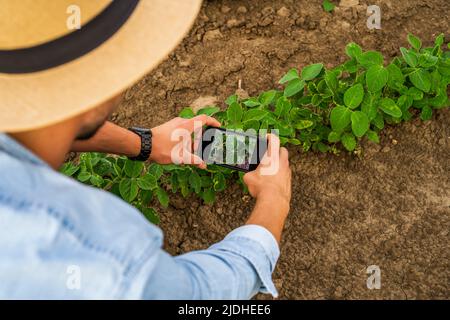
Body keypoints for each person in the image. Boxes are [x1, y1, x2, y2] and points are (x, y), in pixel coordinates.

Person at [0, 0, 291, 299]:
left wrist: (146, 143)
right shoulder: (89, 253)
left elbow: (47, 121)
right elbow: (197, 294)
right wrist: (274, 200)